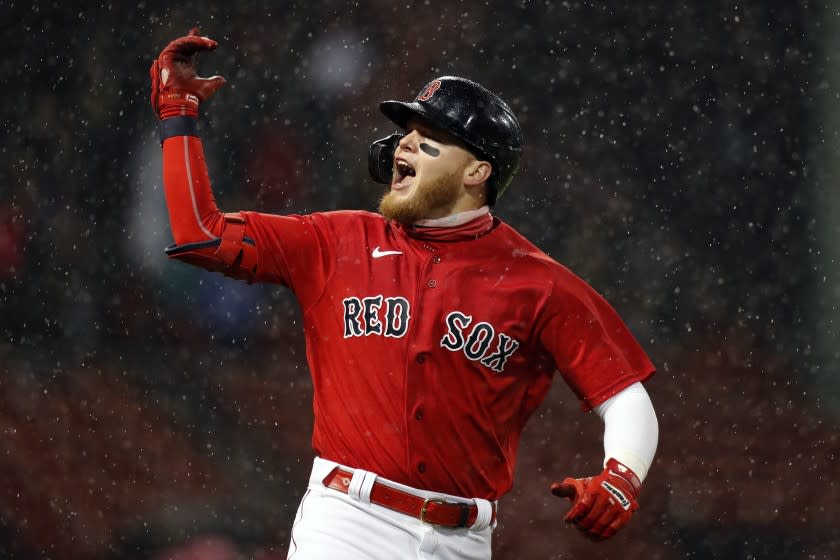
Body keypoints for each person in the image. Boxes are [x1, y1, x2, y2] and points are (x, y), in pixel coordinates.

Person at [149, 29, 659, 560]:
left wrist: (622, 475)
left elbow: (623, 395)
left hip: (464, 539)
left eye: (430, 136)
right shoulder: (336, 241)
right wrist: (178, 114)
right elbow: (200, 233)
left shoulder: (539, 282)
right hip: (347, 521)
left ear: (477, 172)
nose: (406, 144)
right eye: (406, 132)